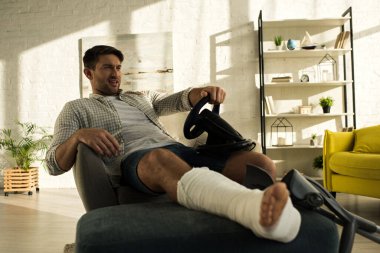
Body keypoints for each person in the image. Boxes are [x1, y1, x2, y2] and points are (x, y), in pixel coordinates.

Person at [46, 45, 301, 243]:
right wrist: (78, 136)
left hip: (183, 152)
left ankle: (254, 218)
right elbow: (52, 165)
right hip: (136, 160)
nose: (116, 74)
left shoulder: (141, 97)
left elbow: (178, 101)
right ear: (88, 73)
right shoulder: (77, 108)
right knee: (160, 159)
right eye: (107, 68)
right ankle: (251, 209)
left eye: (119, 67)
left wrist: (202, 91)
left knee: (260, 163)